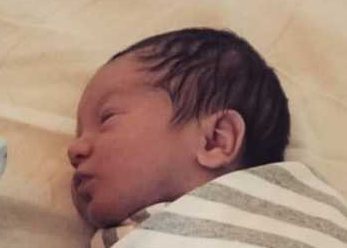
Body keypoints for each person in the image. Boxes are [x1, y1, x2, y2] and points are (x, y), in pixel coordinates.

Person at [67, 27, 291, 228]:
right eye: (80, 133)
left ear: (214, 140)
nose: (74, 150)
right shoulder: (123, 243)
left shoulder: (293, 210)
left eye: (107, 118)